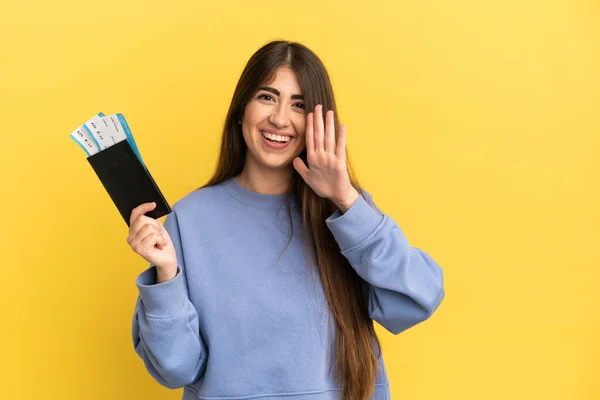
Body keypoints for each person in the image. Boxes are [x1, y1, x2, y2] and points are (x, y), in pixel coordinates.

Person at [128, 40, 445, 400]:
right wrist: (166, 276)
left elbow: (418, 299)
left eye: (299, 105)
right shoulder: (190, 219)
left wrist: (345, 198)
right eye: (266, 97)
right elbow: (176, 368)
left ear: (318, 122)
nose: (280, 118)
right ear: (240, 110)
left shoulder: (345, 214)